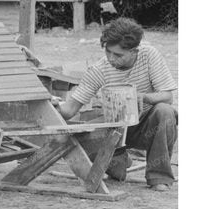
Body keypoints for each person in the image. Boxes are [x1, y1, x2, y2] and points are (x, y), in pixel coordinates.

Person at [56, 17, 177, 190]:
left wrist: (143, 97)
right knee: (77, 139)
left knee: (165, 111)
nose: (111, 58)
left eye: (118, 55)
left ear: (135, 51)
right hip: (114, 127)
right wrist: (51, 105)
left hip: (145, 125)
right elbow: (69, 110)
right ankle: (120, 160)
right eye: (108, 52)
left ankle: (159, 177)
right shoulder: (99, 70)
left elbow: (167, 97)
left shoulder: (149, 55)